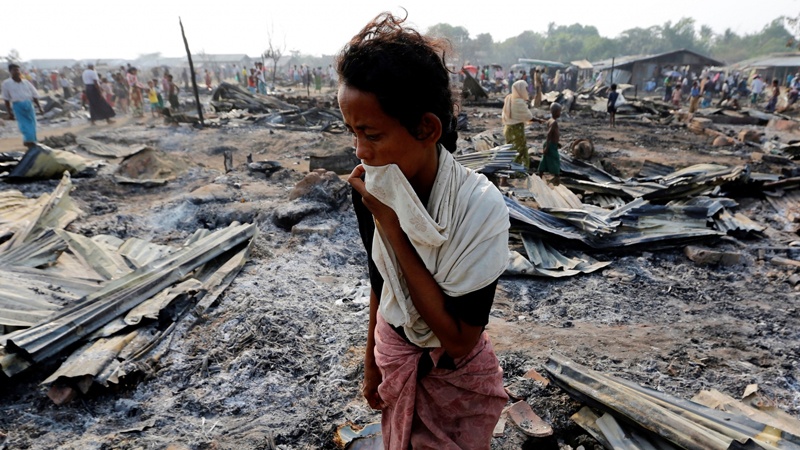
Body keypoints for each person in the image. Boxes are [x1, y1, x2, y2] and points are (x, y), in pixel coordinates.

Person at [337, 12, 509, 449]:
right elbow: (381, 278)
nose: (360, 150)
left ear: (427, 128)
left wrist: (392, 226)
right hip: (393, 351)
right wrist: (371, 362)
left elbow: (458, 337)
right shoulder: (372, 186)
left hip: (454, 376)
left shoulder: (478, 207)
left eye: (371, 133)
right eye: (351, 132)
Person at [2, 63, 44, 147]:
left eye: (18, 70)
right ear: (10, 71)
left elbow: (34, 95)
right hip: (17, 106)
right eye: (14, 70)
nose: (17, 72)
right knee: (23, 124)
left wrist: (40, 107)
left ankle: (32, 141)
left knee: (32, 123)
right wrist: (9, 112)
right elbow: (6, 99)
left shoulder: (26, 83)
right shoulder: (6, 84)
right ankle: (29, 141)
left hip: (28, 104)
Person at [502, 80, 533, 168]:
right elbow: (529, 116)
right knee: (518, 151)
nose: (526, 91)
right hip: (516, 130)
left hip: (508, 129)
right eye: (525, 88)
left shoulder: (509, 98)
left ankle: (511, 170)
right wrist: (539, 120)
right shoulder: (518, 102)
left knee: (510, 150)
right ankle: (516, 170)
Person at [538, 102, 562, 184]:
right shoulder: (554, 122)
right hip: (550, 145)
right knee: (555, 160)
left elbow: (553, 135)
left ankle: (540, 175)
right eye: (559, 111)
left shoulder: (550, 120)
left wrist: (557, 143)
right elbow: (549, 134)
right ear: (555, 112)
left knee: (545, 160)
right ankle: (557, 177)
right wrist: (547, 147)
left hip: (551, 144)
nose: (560, 113)